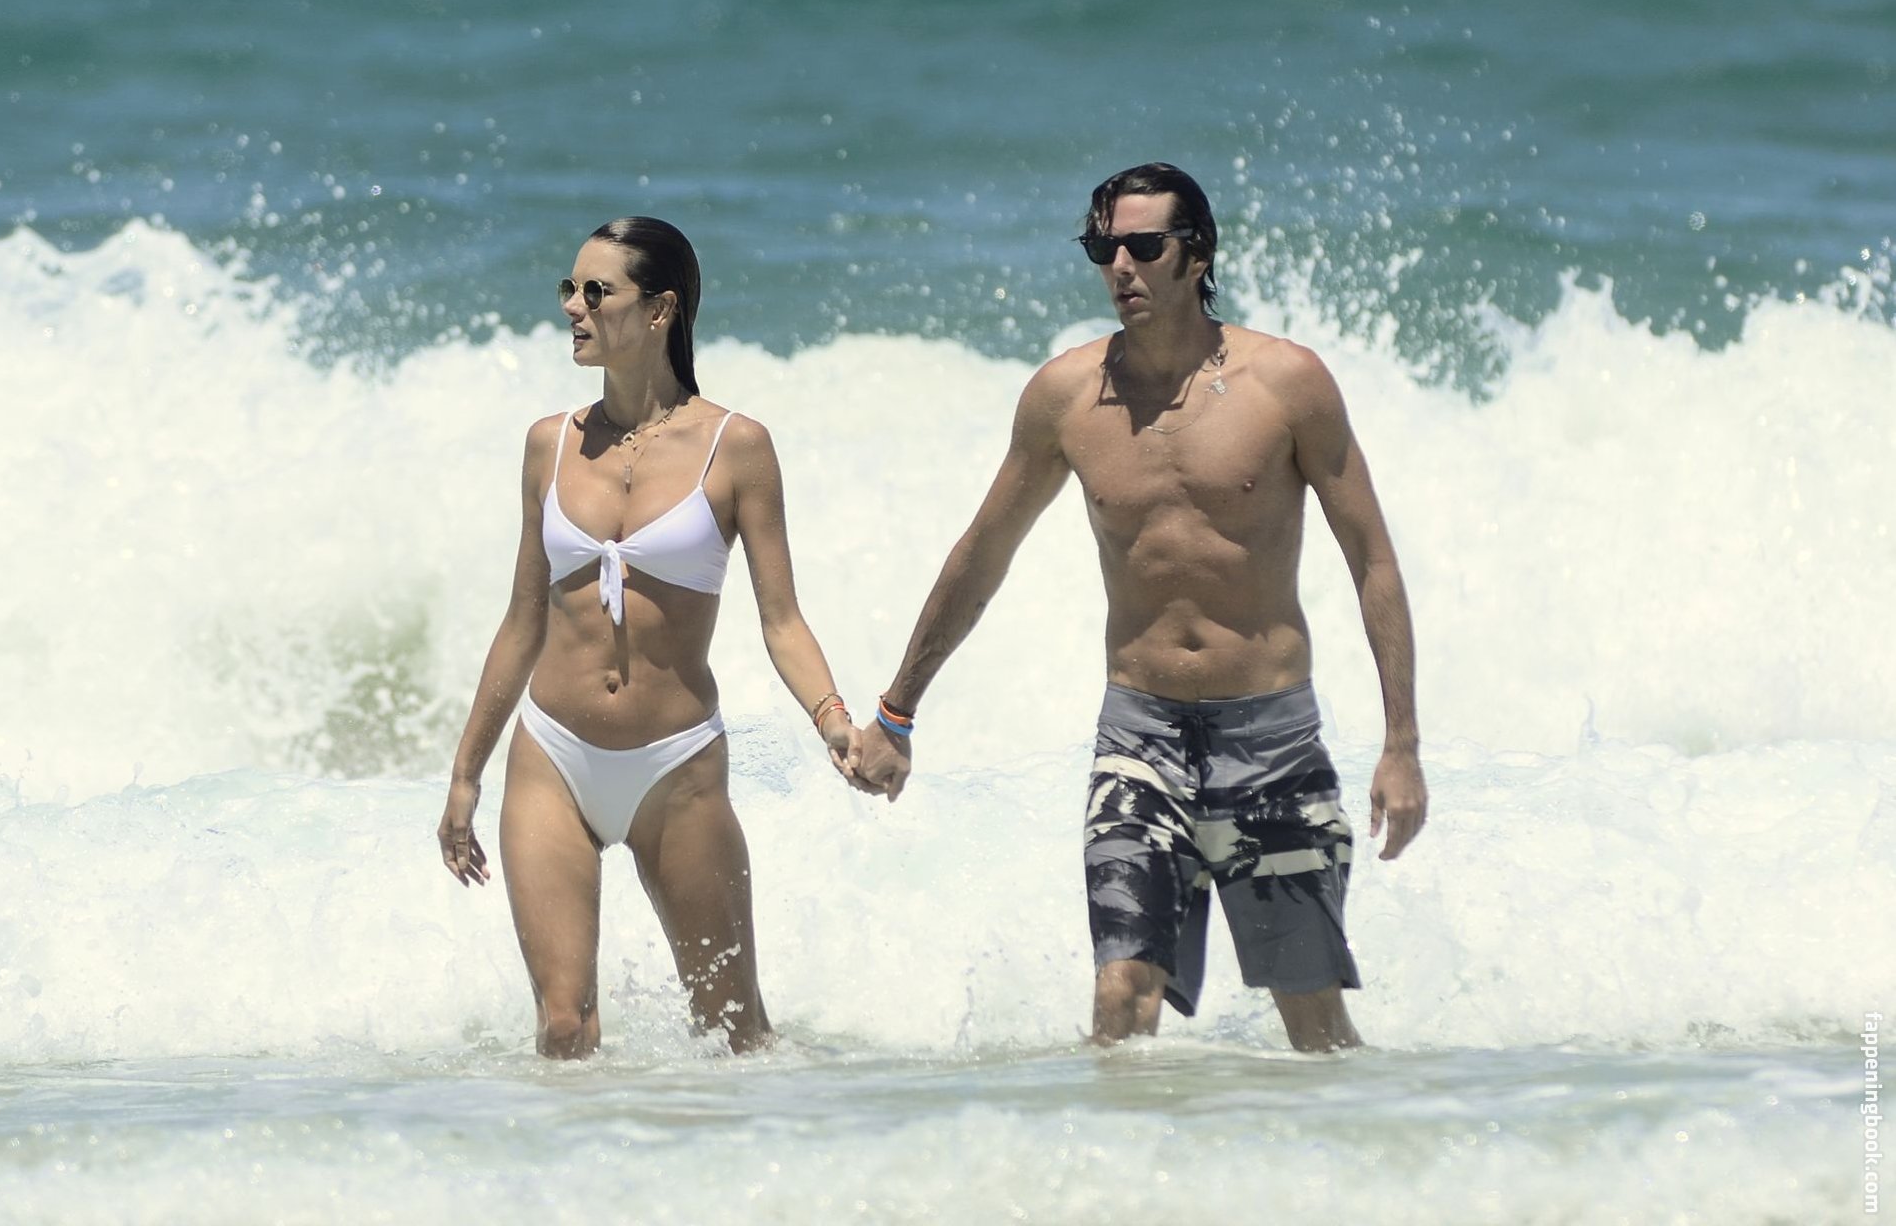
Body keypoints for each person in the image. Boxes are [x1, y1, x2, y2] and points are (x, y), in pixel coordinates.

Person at [854, 163, 1427, 1050]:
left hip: (1270, 734)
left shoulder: (1287, 383)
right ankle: (1119, 1149)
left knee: (1309, 1014)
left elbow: (1373, 561)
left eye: (1143, 247)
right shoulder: (1066, 397)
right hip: (1139, 734)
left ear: (1197, 255)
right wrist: (897, 710)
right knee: (1121, 993)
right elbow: (982, 555)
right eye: (1103, 249)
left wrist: (1401, 745)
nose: (1120, 267)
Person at [439, 216, 861, 1057]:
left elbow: (780, 618)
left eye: (597, 291)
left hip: (677, 767)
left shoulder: (736, 447)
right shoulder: (549, 444)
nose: (574, 306)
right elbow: (522, 620)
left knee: (735, 1035)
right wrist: (464, 776)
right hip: (552, 756)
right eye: (568, 288)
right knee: (564, 1029)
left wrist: (834, 721)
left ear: (660, 309)